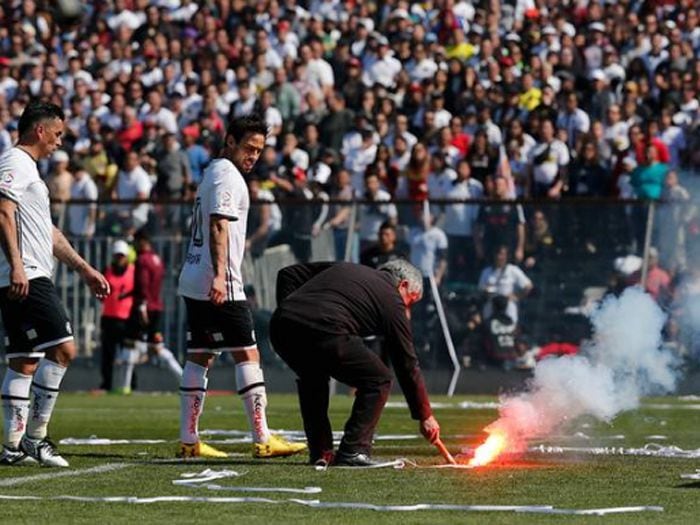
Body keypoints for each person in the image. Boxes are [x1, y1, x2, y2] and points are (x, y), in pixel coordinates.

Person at [177, 114, 306, 459]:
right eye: (248, 147)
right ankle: (262, 438)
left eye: (259, 150)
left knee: (200, 355)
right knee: (247, 354)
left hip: (193, 276)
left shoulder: (214, 172)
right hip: (218, 280)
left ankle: (189, 439)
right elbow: (219, 224)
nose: (253, 155)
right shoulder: (227, 176)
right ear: (230, 141)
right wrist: (220, 275)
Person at [0, 102, 110, 467]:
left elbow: (49, 233)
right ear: (40, 131)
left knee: (23, 361)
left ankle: (12, 448)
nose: (60, 142)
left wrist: (85, 269)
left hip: (25, 273)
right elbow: (2, 210)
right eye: (58, 134)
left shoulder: (29, 171)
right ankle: (36, 438)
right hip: (26, 274)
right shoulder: (14, 162)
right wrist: (16, 265)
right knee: (64, 350)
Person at [270, 260, 441, 467]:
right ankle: (354, 449)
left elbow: (288, 273)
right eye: (410, 302)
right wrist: (425, 416)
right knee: (378, 379)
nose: (407, 311)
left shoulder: (348, 268)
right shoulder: (391, 297)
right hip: (327, 327)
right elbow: (406, 361)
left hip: (282, 327)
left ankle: (321, 452)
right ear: (403, 285)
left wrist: (290, 309)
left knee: (313, 379)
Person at [114, 230, 182, 394]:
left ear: (143, 241)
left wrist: (142, 305)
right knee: (157, 346)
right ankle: (184, 379)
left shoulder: (142, 260)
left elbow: (143, 284)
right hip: (156, 307)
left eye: (136, 242)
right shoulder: (157, 259)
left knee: (130, 345)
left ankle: (124, 386)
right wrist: (129, 294)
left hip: (143, 309)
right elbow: (150, 286)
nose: (134, 246)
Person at [99, 240, 134, 392]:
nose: (119, 258)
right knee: (108, 354)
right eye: (117, 255)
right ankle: (106, 384)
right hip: (109, 317)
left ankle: (131, 384)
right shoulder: (106, 270)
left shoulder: (133, 271)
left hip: (127, 319)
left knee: (129, 355)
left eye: (122, 256)